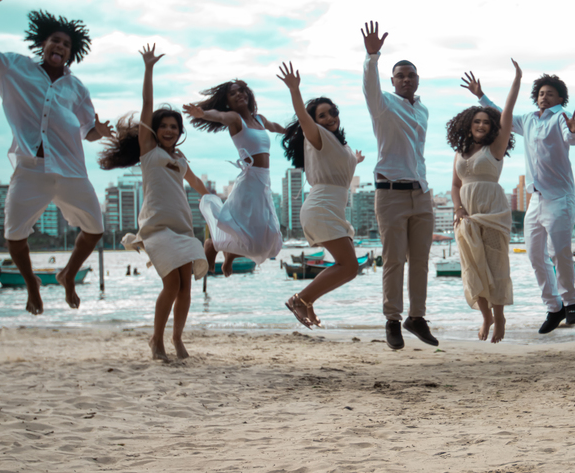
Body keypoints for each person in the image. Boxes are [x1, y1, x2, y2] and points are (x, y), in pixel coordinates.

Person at [0, 0, 114, 315]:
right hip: (31, 169)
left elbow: (88, 130)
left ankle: (68, 274)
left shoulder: (77, 89)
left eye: (66, 45)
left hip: (71, 170)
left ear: (72, 53)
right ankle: (32, 283)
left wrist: (99, 131)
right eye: (55, 41)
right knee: (15, 235)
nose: (60, 47)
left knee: (96, 228)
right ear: (43, 44)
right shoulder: (13, 68)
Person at [99, 45, 209, 361]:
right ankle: (156, 340)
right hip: (157, 228)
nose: (170, 130)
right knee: (171, 284)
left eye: (175, 127)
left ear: (180, 132)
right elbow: (147, 104)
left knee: (186, 288)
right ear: (155, 131)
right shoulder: (150, 152)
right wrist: (149, 68)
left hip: (183, 228)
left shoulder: (181, 158)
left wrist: (217, 204)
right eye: (164, 126)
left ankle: (177, 339)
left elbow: (199, 185)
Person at [462, 69, 575, 334]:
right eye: (540, 93)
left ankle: (571, 302)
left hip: (560, 198)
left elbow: (571, 137)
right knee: (534, 255)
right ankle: (554, 308)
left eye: (550, 94)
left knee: (559, 252)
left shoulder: (561, 118)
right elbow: (500, 115)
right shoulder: (528, 119)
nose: (544, 97)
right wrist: (481, 95)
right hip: (535, 199)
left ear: (560, 98)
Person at [361, 21, 438, 350]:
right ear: (392, 82)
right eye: (400, 76)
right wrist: (372, 56)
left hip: (421, 193)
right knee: (394, 260)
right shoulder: (382, 105)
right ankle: (392, 319)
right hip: (390, 193)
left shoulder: (423, 110)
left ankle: (416, 318)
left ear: (417, 80)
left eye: (411, 75)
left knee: (420, 260)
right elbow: (369, 87)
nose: (406, 79)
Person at [276, 62, 364, 328]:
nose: (329, 118)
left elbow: (338, 168)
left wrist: (355, 161)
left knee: (347, 267)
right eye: (322, 115)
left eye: (332, 113)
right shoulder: (317, 136)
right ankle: (300, 300)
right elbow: (303, 116)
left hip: (330, 207)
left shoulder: (341, 144)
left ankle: (307, 301)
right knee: (349, 267)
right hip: (321, 206)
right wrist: (295, 90)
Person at [448, 60, 522, 343]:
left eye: (486, 122)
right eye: (476, 121)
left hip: (492, 212)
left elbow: (508, 114)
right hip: (465, 216)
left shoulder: (496, 148)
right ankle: (486, 316)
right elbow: (455, 185)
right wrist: (458, 208)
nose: (481, 125)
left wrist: (516, 80)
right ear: (468, 125)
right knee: (472, 267)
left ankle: (500, 316)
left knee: (496, 265)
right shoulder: (460, 152)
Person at [182, 80, 284, 276]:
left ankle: (230, 255)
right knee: (256, 238)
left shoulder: (260, 120)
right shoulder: (235, 119)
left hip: (263, 182)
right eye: (233, 94)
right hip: (249, 182)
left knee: (268, 239)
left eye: (242, 91)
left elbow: (275, 126)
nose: (239, 95)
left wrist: (295, 130)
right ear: (227, 102)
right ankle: (213, 244)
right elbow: (219, 116)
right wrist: (202, 114)